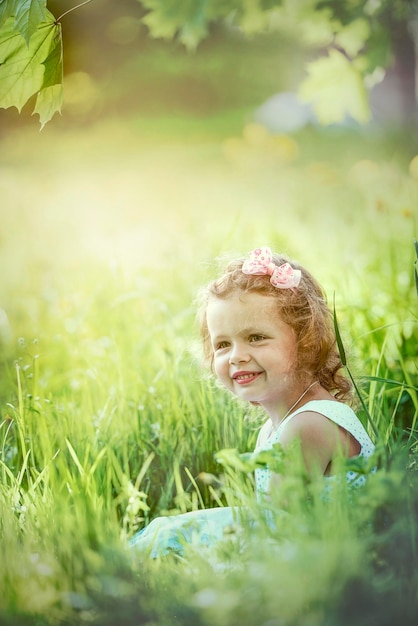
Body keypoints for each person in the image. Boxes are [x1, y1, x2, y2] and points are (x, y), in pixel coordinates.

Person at [130, 246, 375, 557]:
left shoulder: (309, 425)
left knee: (178, 541)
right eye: (222, 344)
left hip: (334, 568)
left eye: (256, 337)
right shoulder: (280, 426)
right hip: (305, 552)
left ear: (306, 342)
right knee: (174, 534)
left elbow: (277, 538)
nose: (237, 356)